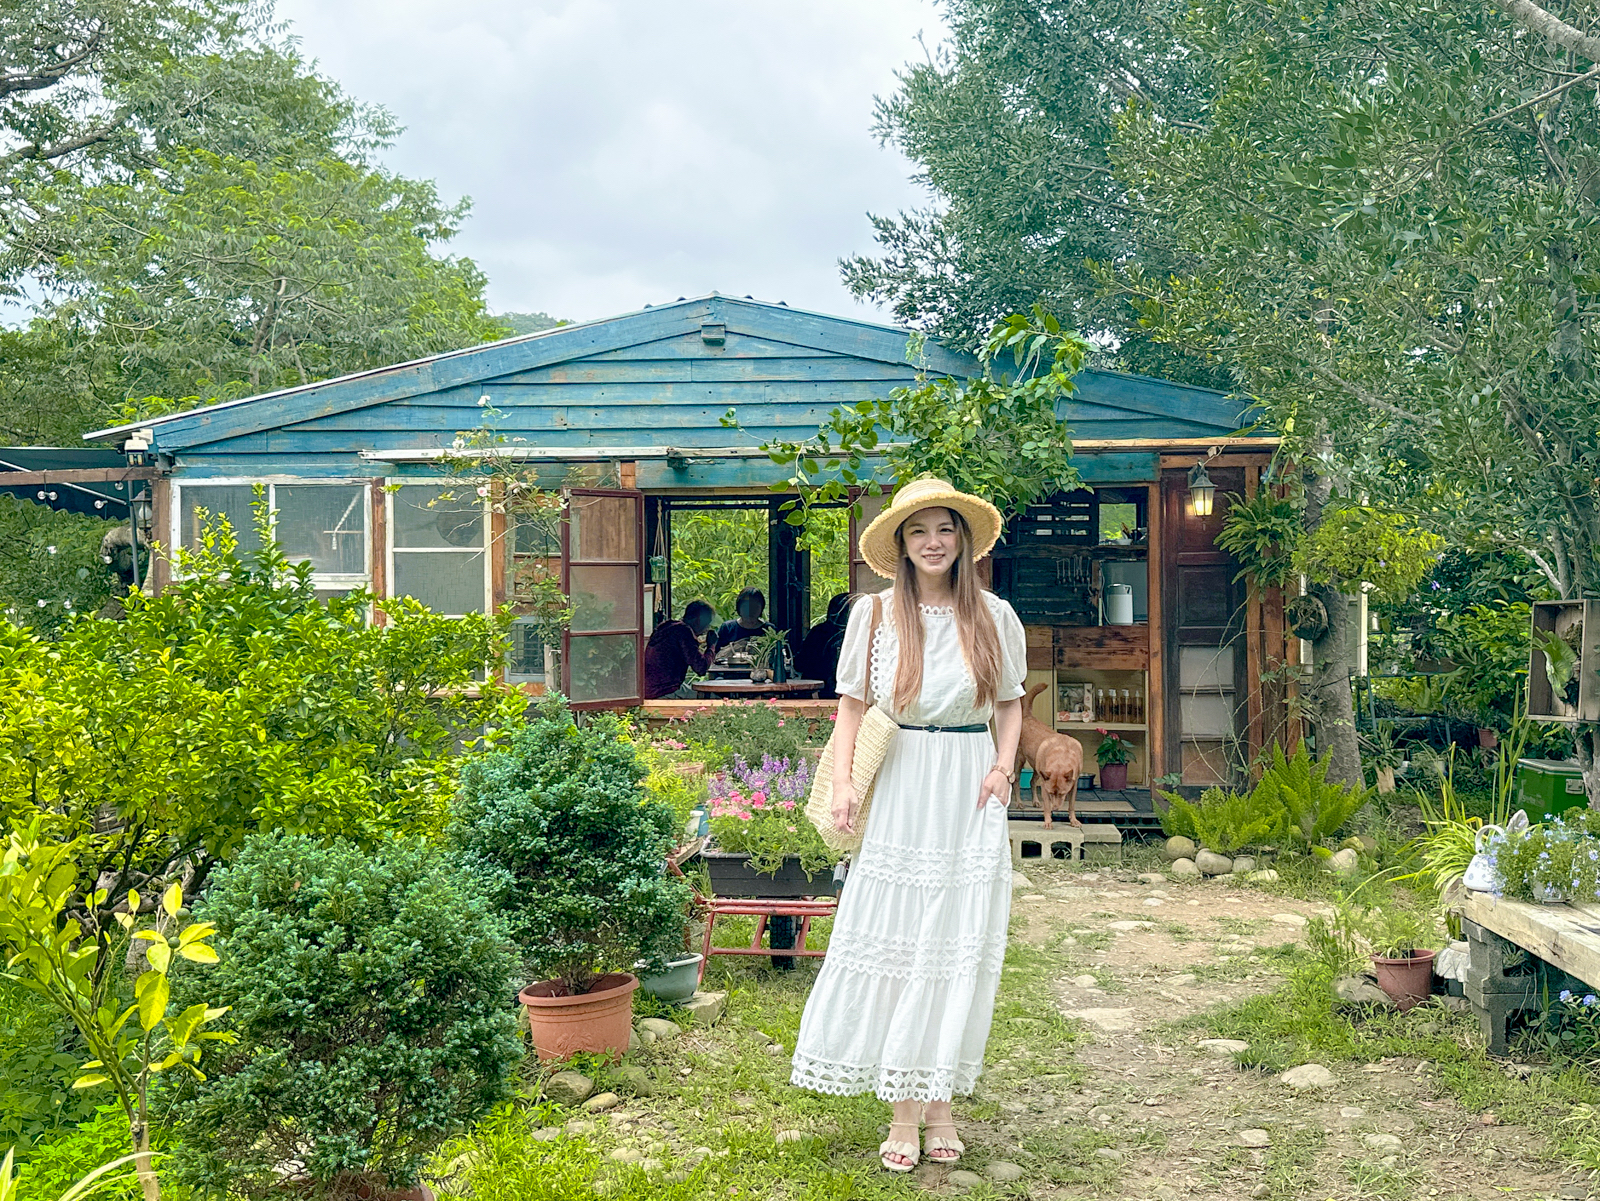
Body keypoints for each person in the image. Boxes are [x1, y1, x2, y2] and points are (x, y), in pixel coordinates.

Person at [788, 477, 1025, 1173]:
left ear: (963, 539)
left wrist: (1003, 768)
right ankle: (901, 1109)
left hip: (968, 781)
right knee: (896, 934)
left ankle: (941, 1102)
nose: (932, 542)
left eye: (944, 529)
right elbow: (852, 708)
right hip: (899, 777)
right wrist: (841, 786)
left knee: (954, 937)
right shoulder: (873, 615)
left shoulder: (996, 617)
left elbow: (1009, 705)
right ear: (900, 542)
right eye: (918, 530)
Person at [643, 599, 718, 699]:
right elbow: (701, 668)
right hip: (665, 691)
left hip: (649, 690)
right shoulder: (684, 632)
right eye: (707, 623)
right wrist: (711, 646)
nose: (707, 628)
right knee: (716, 700)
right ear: (699, 619)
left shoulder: (667, 627)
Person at [797, 591, 853, 697]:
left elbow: (800, 663)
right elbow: (802, 662)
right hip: (819, 689)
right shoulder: (819, 633)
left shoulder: (857, 634)